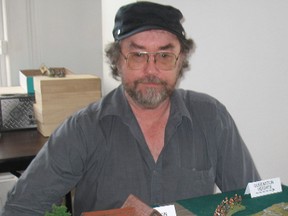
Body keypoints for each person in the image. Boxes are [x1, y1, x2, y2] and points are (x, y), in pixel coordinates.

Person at [1, 1, 260, 216]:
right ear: (117, 60)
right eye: (137, 55)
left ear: (180, 61)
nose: (151, 69)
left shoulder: (212, 118)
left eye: (164, 55)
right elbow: (20, 208)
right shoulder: (82, 129)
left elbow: (254, 201)